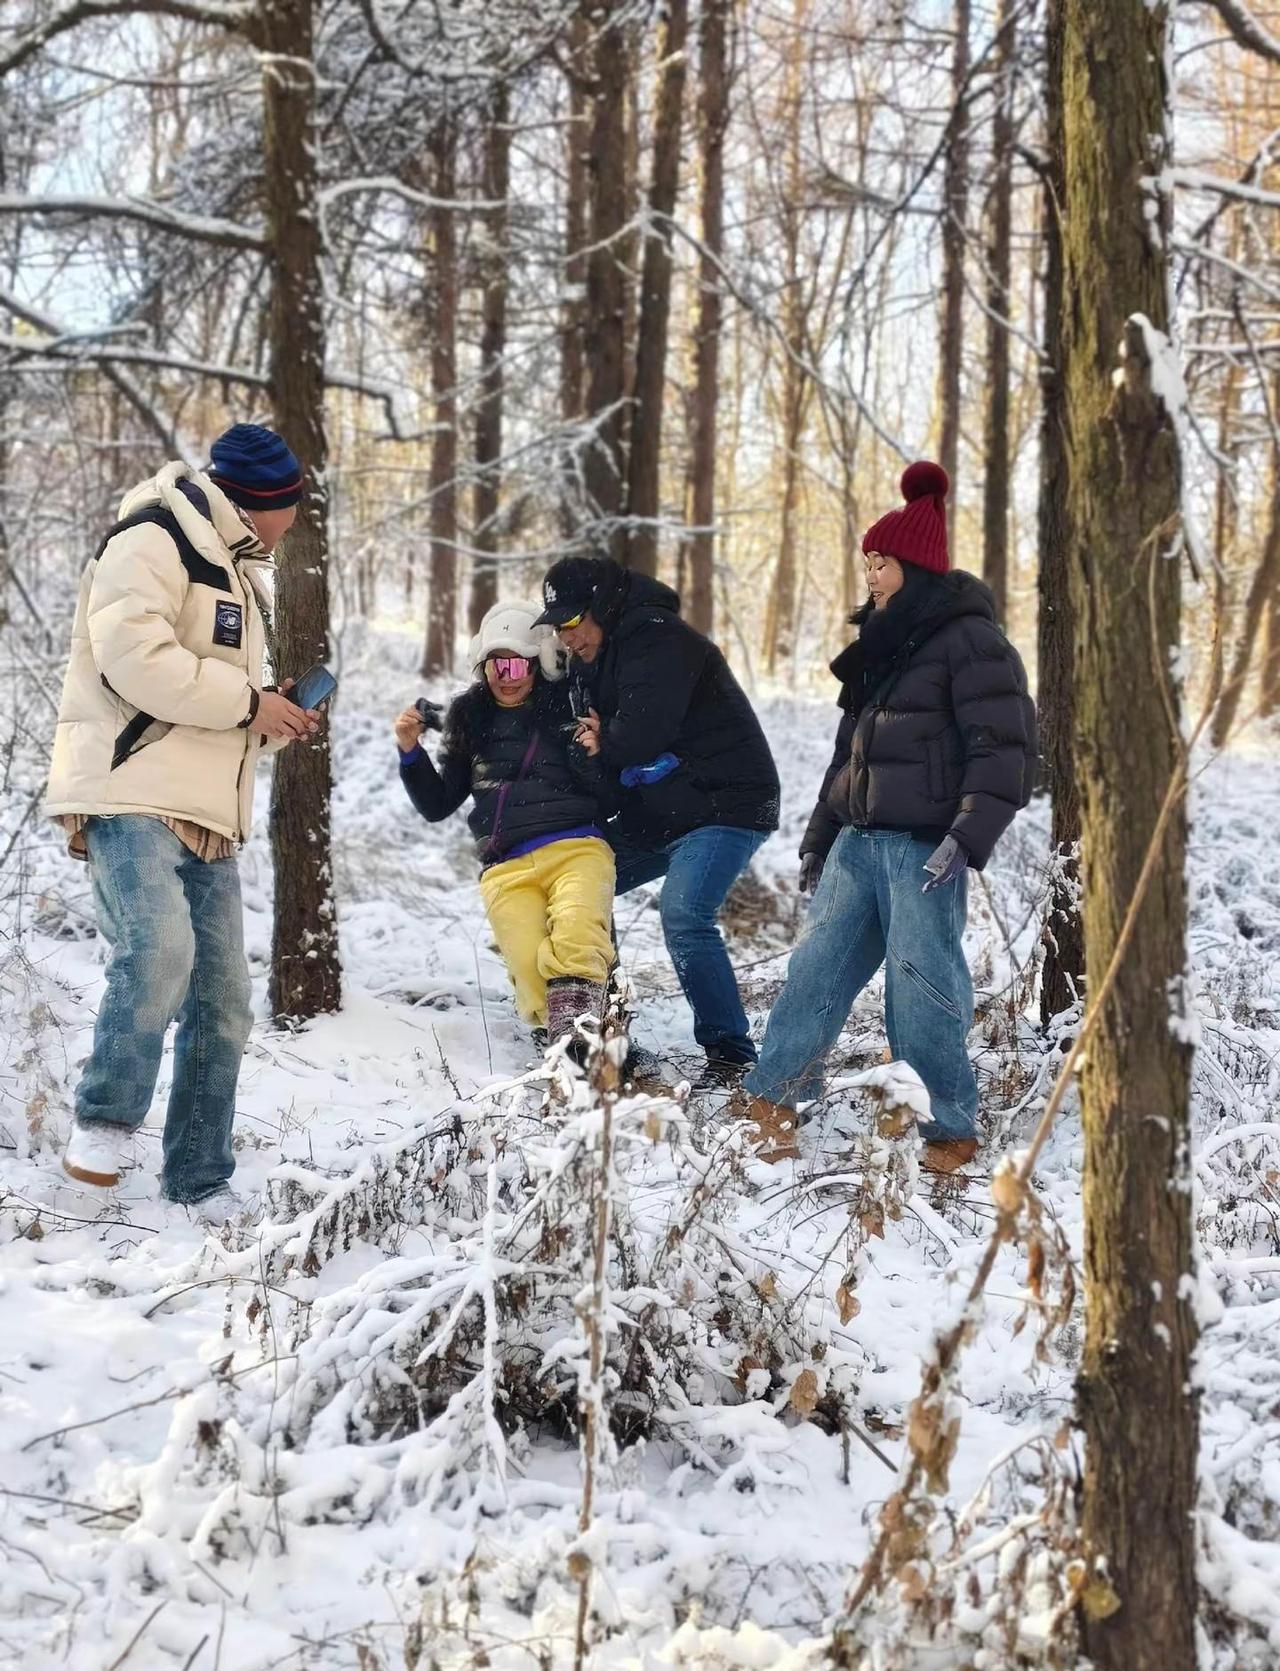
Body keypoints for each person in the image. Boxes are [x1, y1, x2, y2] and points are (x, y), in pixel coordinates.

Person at [45, 424, 322, 1222]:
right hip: (130, 792)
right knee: (158, 949)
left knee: (224, 1000)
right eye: (290, 508)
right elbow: (135, 659)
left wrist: (272, 717)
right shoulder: (153, 537)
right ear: (263, 503)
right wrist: (246, 701)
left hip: (207, 814)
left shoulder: (238, 572)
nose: (292, 523)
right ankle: (102, 1122)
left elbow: (214, 705)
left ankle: (199, 1178)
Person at [737, 461, 1037, 1170]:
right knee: (814, 970)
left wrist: (967, 838)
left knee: (922, 986)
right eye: (867, 560)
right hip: (857, 841)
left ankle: (949, 1130)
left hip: (923, 849)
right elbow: (850, 751)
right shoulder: (879, 643)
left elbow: (1007, 747)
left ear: (917, 566)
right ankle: (774, 1100)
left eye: (883, 562)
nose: (870, 574)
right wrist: (821, 835)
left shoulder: (971, 640)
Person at [534, 556, 779, 1084]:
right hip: (665, 807)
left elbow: (637, 736)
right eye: (558, 626)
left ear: (603, 607)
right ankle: (598, 1030)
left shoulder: (659, 636)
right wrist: (601, 746)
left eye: (574, 622)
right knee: (583, 884)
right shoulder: (587, 660)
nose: (567, 637)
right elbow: (595, 746)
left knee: (685, 915)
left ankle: (732, 1055)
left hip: (727, 802)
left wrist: (612, 740)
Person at [394, 600, 615, 1051]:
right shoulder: (468, 722)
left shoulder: (570, 705)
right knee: (532, 976)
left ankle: (585, 1060)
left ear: (540, 662)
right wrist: (409, 753)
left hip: (576, 847)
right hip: (506, 866)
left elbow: (607, 793)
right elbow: (438, 805)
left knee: (576, 939)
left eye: (516, 664)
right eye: (495, 666)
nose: (506, 677)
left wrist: (596, 750)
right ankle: (567, 1050)